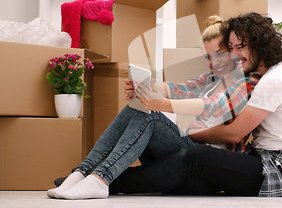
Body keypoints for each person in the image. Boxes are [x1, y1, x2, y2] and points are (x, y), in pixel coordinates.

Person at [106, 12, 282, 197]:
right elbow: (186, 87)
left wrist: (188, 133)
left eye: (240, 48)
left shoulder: (274, 80)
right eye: (232, 48)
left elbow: (233, 134)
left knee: (197, 157)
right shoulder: (264, 76)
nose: (234, 55)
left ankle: (109, 181)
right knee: (177, 149)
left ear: (259, 45)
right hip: (267, 158)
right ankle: (98, 175)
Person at [47, 16, 259, 199]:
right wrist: (145, 87)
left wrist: (163, 104)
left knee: (152, 117)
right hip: (185, 156)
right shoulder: (212, 78)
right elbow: (180, 88)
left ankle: (101, 178)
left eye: (220, 53)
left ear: (232, 52)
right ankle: (83, 173)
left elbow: (216, 104)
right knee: (136, 108)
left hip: (205, 173)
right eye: (207, 57)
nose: (214, 62)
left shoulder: (245, 82)